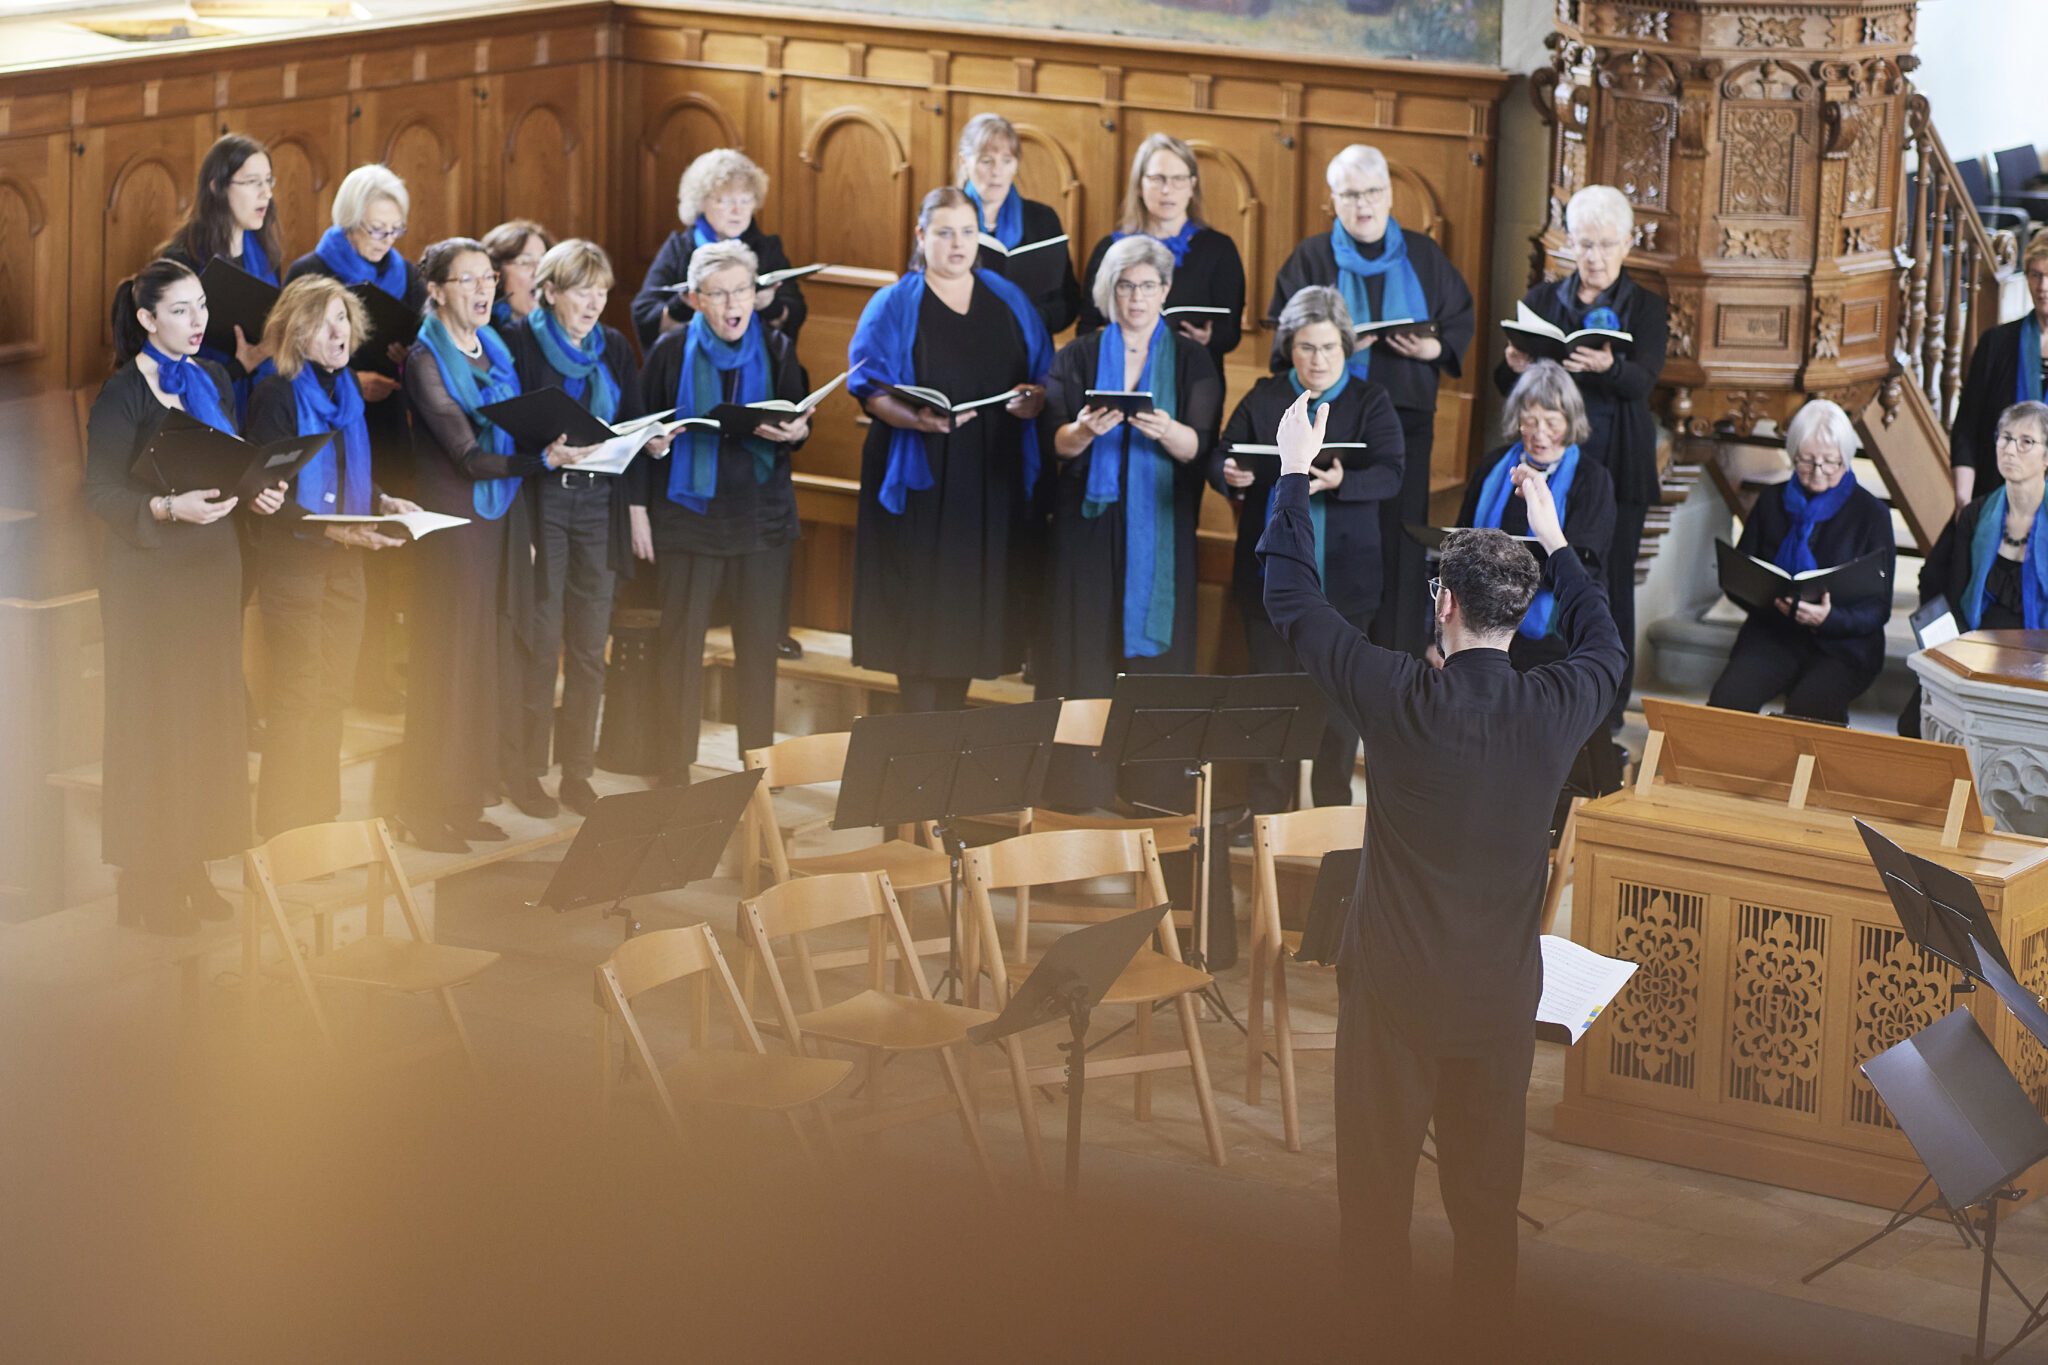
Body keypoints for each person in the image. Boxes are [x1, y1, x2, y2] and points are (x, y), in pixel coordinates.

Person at [1257, 387, 1625, 1346]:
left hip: (1394, 993)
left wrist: (1291, 472)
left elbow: (1292, 599)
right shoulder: (1560, 702)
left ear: (1445, 603)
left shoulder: (1399, 694)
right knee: (1485, 1209)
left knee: (1375, 1202)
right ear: (1520, 610)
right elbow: (1606, 642)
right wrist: (1556, 540)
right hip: (1498, 1001)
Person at [83, 260, 288, 933]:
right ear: (147, 318)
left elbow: (228, 461)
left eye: (201, 306)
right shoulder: (121, 393)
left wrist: (256, 491)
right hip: (149, 578)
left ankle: (193, 863)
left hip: (210, 568)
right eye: (180, 310)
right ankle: (147, 882)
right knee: (155, 724)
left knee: (206, 718)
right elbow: (99, 493)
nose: (198, 321)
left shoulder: (214, 378)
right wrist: (168, 508)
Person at [398, 237, 594, 852]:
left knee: (487, 663)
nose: (484, 289)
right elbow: (467, 456)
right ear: (436, 291)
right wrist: (543, 459)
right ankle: (420, 810)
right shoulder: (424, 359)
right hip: (453, 525)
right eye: (467, 280)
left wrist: (552, 445)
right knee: (448, 665)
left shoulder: (495, 349)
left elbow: (513, 428)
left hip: (501, 519)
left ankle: (461, 803)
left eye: (488, 277)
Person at [847, 186, 1051, 713]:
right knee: (918, 610)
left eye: (967, 232)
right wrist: (915, 418)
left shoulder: (1008, 298)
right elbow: (869, 390)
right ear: (921, 236)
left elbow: (1043, 376)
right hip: (919, 473)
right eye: (944, 233)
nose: (958, 244)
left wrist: (1034, 401)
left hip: (988, 478)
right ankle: (916, 739)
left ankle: (944, 738)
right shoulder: (893, 303)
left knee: (967, 612)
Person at [1270, 143, 1474, 660]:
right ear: (1333, 200)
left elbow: (1459, 320)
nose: (1362, 204)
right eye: (1350, 194)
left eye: (1372, 192)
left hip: (1405, 420)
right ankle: (1331, 650)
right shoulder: (1312, 256)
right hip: (1332, 419)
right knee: (1338, 532)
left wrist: (1433, 348)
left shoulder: (1422, 254)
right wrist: (1335, 346)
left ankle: (1396, 659)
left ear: (1389, 194)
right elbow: (1282, 338)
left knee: (1400, 541)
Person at [243, 276, 423, 837]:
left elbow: (347, 477)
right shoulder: (276, 394)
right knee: (300, 692)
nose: (338, 332)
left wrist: (382, 502)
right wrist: (341, 530)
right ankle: (282, 833)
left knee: (334, 692)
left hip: (345, 565)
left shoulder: (347, 391)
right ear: (295, 333)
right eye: (322, 323)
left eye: (342, 318)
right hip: (293, 565)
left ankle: (320, 824)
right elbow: (267, 497)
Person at [1215, 286, 1403, 811]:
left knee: (1340, 709)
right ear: (1289, 349)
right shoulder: (1265, 395)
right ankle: (1267, 815)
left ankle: (1330, 817)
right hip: (1271, 584)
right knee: (1269, 700)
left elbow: (1392, 474)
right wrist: (1228, 473)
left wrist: (1344, 481)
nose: (1318, 360)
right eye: (1306, 348)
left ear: (1345, 347)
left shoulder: (1371, 400)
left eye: (1328, 348)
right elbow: (1223, 454)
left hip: (1346, 582)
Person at [632, 240, 810, 783]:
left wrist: (797, 432)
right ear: (694, 298)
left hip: (762, 516)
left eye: (742, 290)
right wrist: (652, 448)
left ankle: (757, 771)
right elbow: (640, 432)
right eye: (719, 293)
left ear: (756, 294)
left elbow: (799, 423)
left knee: (758, 652)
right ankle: (672, 769)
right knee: (680, 648)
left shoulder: (777, 347)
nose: (733, 303)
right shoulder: (669, 351)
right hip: (689, 515)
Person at [1498, 183, 1667, 727]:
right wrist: (1515, 365)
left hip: (1615, 460)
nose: (1594, 257)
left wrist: (1608, 368)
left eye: (1606, 245)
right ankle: (1539, 684)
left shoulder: (1646, 307)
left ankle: (1608, 707)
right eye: (1585, 244)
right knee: (1537, 568)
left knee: (1608, 582)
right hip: (1550, 461)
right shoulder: (1543, 300)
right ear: (1570, 242)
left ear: (1627, 244)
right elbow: (1510, 383)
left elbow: (1645, 381)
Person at [503, 239, 651, 816]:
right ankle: (526, 773)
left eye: (602, 293)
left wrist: (651, 449)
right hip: (543, 501)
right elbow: (507, 435)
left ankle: (577, 773)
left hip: (599, 503)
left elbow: (632, 425)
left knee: (590, 648)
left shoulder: (613, 346)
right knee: (541, 645)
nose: (594, 304)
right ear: (550, 291)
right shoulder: (519, 342)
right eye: (582, 292)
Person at [1039, 234, 1222, 701]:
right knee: (1083, 649)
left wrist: (1165, 429)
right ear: (1110, 290)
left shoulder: (1193, 358)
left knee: (1152, 675)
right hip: (1087, 522)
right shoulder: (1076, 355)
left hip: (1161, 519)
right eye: (1125, 286)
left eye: (1147, 286)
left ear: (1165, 290)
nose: (1136, 297)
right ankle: (1079, 751)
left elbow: (1198, 447)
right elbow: (1056, 443)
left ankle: (1147, 750)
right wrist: (1084, 431)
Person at [286, 163, 427, 712]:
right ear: (349, 221)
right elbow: (292, 351)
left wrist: (407, 359)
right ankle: (336, 680)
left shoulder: (407, 275)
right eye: (375, 229)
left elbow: (421, 341)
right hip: (331, 418)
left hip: (387, 425)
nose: (386, 240)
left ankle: (376, 675)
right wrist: (355, 382)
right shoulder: (311, 269)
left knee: (385, 548)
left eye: (395, 230)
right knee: (341, 545)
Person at [1708, 400, 1895, 725]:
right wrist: (1767, 597)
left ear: (1846, 458)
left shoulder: (1871, 514)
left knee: (1810, 713)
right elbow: (1741, 577)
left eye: (1830, 462)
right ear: (1793, 454)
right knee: (1727, 701)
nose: (1818, 471)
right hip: (1775, 633)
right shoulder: (1771, 501)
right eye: (1806, 461)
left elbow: (1878, 609)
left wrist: (1829, 618)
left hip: (1843, 645)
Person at [1457, 360, 1617, 672]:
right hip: (1482, 631)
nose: (1540, 434)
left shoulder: (1592, 479)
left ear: (1570, 422)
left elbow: (1582, 565)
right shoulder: (1493, 467)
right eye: (1529, 421)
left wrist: (1501, 573)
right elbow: (1459, 539)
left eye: (1552, 423)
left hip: (1555, 637)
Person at [1903, 400, 2048, 737]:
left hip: (2039, 655)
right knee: (1914, 723)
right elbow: (1955, 597)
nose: (2010, 449)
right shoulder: (1974, 515)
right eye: (2005, 438)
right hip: (1977, 646)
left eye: (2026, 442)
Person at [1077, 133, 1246, 384]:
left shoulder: (1219, 248)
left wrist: (1208, 338)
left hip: (1191, 377)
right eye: (1157, 179)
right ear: (1139, 186)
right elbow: (1086, 327)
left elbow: (1230, 333)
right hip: (1120, 374)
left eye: (1178, 179)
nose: (1167, 190)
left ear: (1192, 185)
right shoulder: (1110, 248)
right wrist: (1107, 337)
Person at [630, 148, 806, 350]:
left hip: (753, 356)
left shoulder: (766, 247)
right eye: (726, 201)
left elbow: (796, 312)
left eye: (746, 200)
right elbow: (644, 314)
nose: (738, 211)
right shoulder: (680, 247)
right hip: (690, 356)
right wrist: (685, 304)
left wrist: (769, 306)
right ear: (701, 202)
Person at [157, 133, 281, 418]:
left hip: (263, 397)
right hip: (202, 404)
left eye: (268, 181)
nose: (266, 193)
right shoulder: (181, 260)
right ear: (217, 187)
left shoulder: (264, 253)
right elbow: (166, 360)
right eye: (253, 182)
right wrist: (238, 367)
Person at [957, 113, 1082, 337]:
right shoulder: (945, 218)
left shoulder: (1043, 219)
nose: (997, 171)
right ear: (964, 162)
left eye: (1007, 160)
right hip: (960, 339)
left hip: (1026, 343)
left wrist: (1033, 319)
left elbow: (1068, 301)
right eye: (986, 161)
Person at [1950, 232, 2048, 506]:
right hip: (1993, 498)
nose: (2043, 286)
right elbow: (1966, 428)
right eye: (2036, 275)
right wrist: (1963, 500)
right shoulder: (1995, 343)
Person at [482, 218, 554, 331]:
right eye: (525, 262)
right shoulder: (483, 332)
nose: (538, 272)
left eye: (543, 262)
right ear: (496, 272)